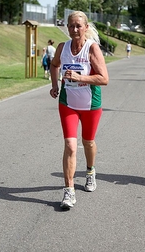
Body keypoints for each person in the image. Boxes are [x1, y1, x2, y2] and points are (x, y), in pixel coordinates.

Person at [49, 11, 109, 209]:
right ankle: (69, 191)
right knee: (70, 145)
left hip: (91, 104)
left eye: (78, 26)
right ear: (67, 27)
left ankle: (90, 171)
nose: (74, 29)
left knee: (88, 142)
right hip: (68, 103)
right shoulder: (62, 48)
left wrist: (79, 77)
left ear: (85, 28)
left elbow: (104, 79)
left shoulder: (92, 49)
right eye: (71, 25)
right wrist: (55, 85)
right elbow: (54, 65)